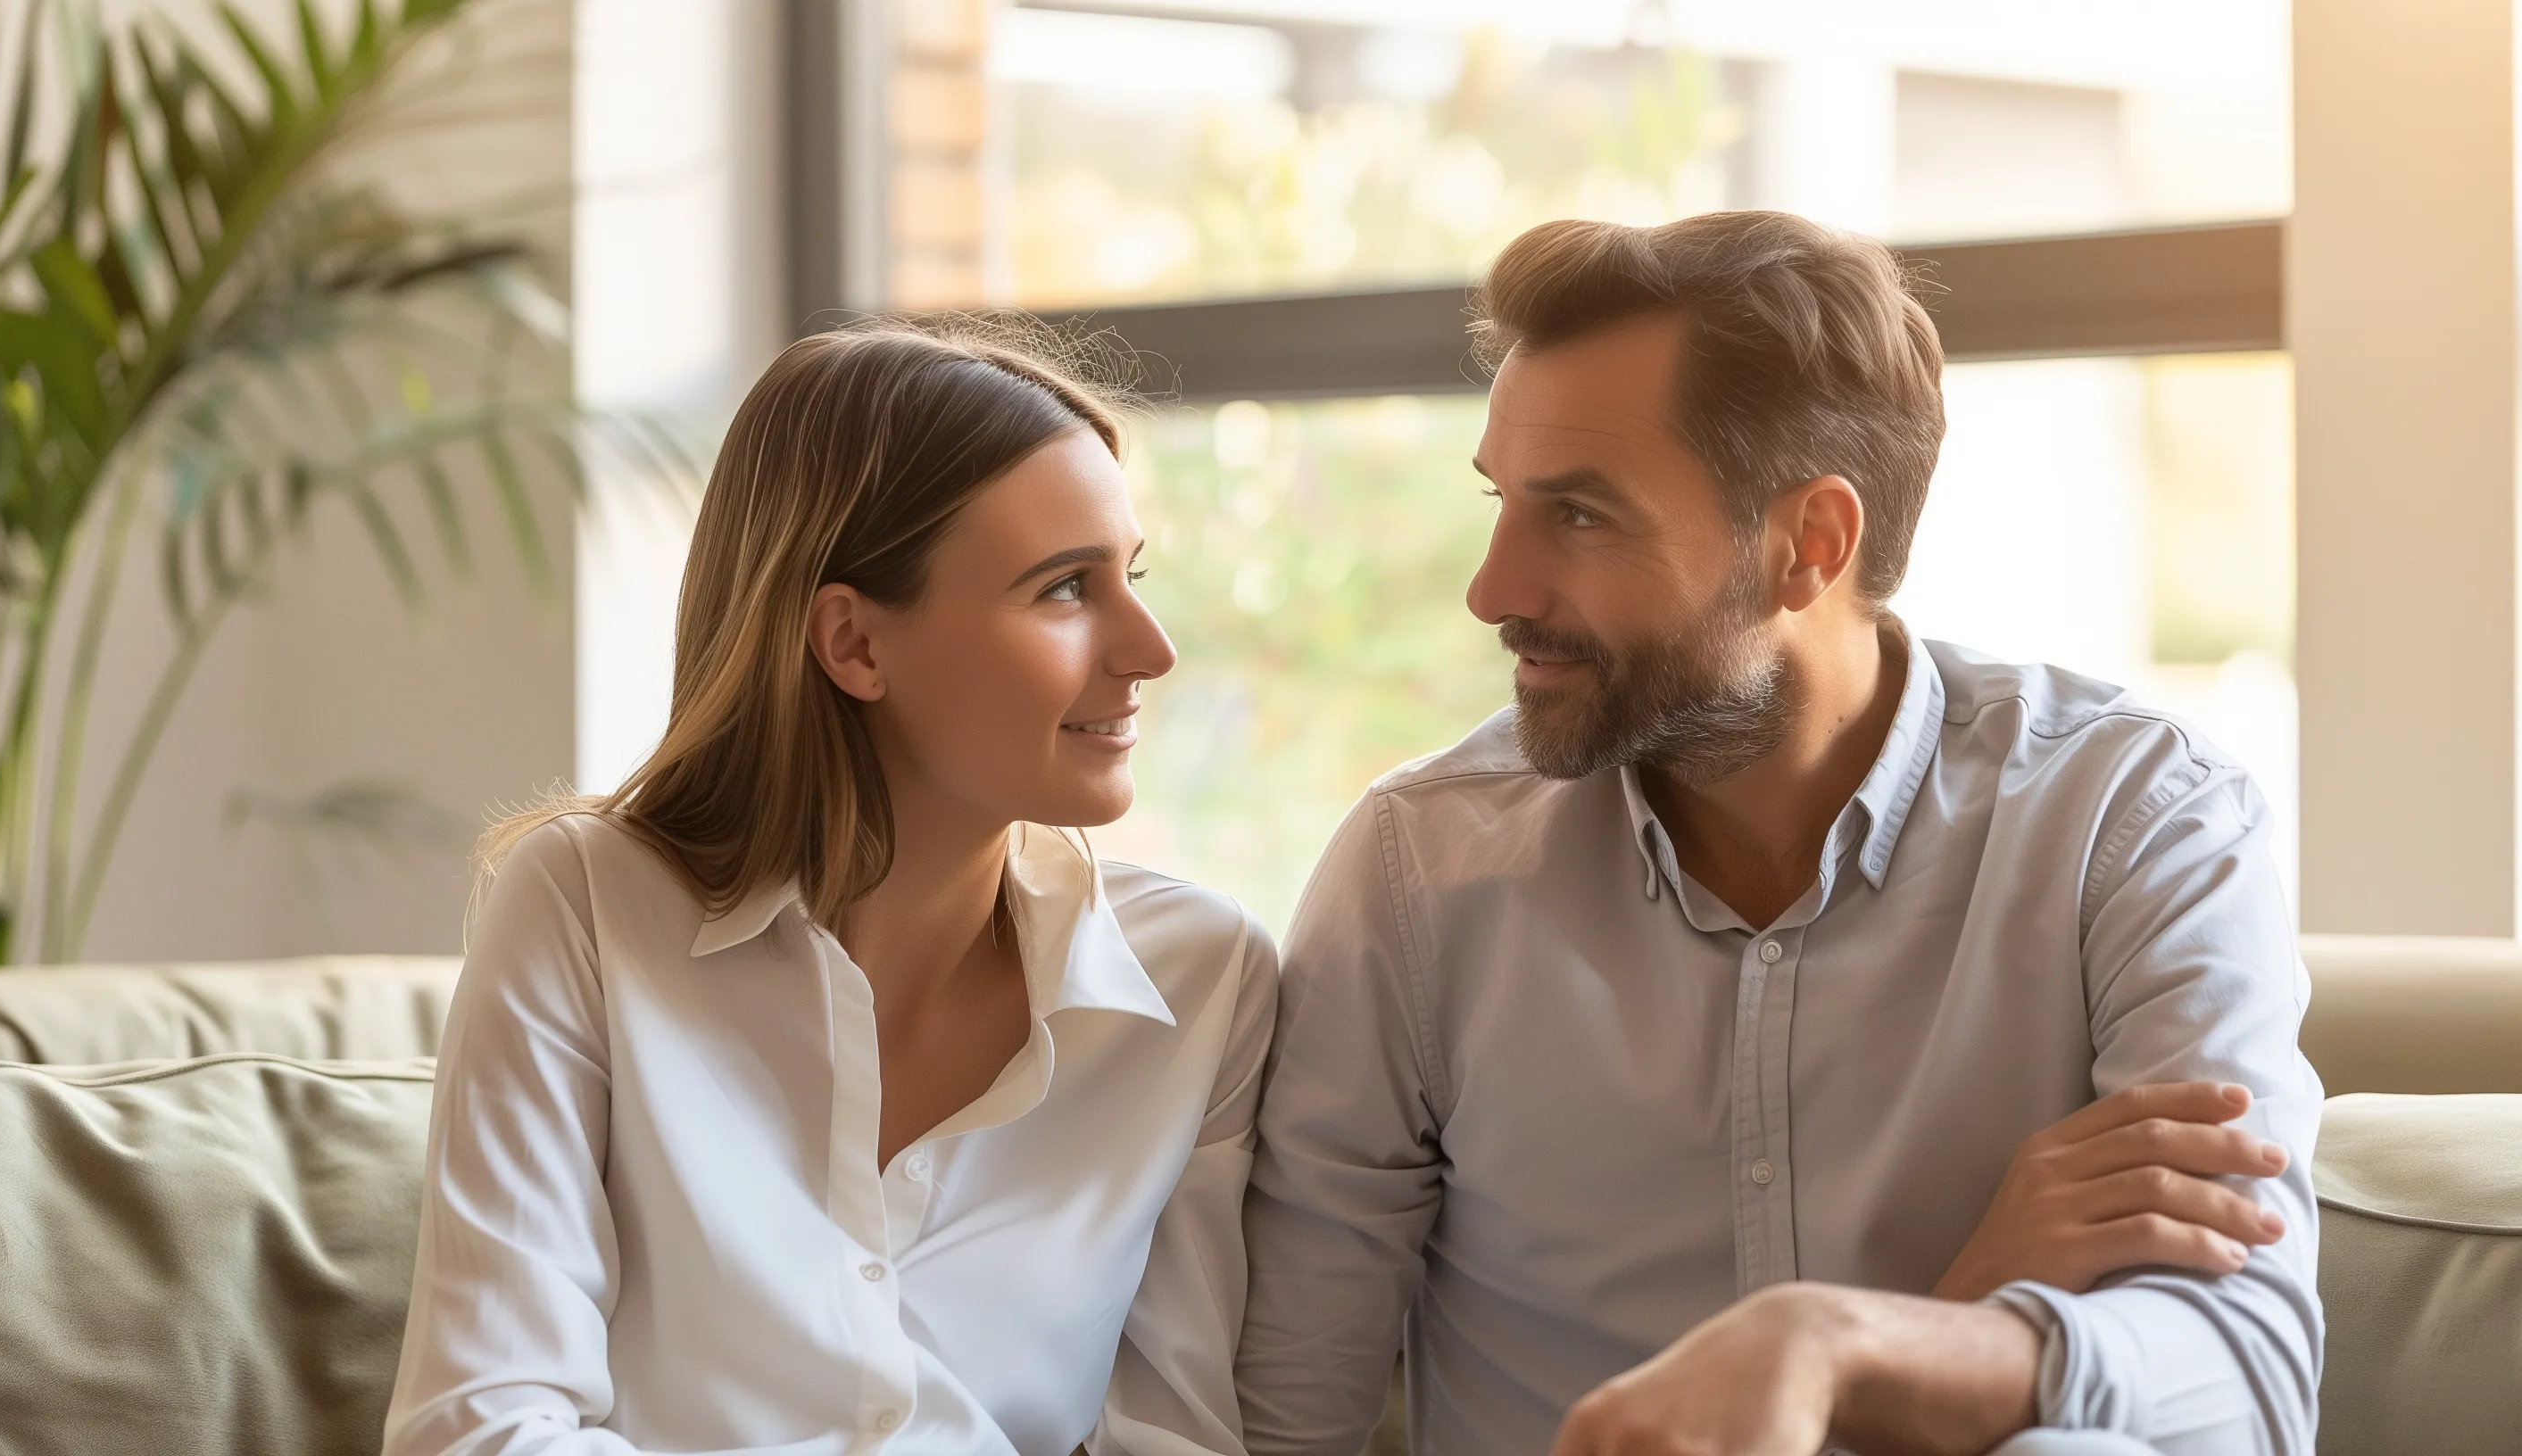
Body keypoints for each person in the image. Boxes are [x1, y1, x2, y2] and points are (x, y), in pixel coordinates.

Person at [1235, 213, 2321, 1456]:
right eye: (1503, 504)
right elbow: (1283, 1424)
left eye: (1580, 517)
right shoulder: (1417, 871)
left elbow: (2245, 1380)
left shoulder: (2132, 824)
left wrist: (1831, 1346)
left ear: (1810, 544)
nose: (1494, 589)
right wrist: (1929, 1325)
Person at [382, 319, 1274, 1456]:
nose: (1149, 648)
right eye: (1063, 590)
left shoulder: (1202, 981)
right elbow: (481, 1427)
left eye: (1131, 578)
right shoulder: (583, 908)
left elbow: (1175, 1440)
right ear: (853, 644)